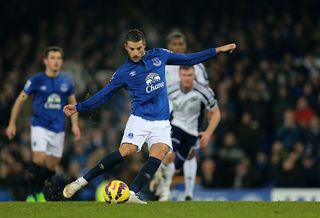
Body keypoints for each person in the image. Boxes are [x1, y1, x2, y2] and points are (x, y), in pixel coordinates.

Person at [62, 29, 235, 204]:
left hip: (161, 121)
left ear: (144, 45)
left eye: (138, 48)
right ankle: (81, 182)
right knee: (126, 152)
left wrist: (217, 50)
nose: (136, 53)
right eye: (132, 49)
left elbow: (188, 59)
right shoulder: (124, 72)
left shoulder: (160, 55)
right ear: (126, 48)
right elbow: (104, 95)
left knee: (160, 152)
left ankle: (132, 194)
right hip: (140, 119)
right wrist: (79, 107)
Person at [6, 46, 81, 202]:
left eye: (58, 58)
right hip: (40, 125)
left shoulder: (66, 81)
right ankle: (29, 194)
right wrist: (12, 123)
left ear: (62, 61)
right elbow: (20, 101)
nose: (55, 61)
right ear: (45, 61)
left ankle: (38, 190)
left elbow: (72, 104)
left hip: (58, 128)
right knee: (39, 159)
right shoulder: (36, 80)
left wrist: (74, 125)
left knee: (52, 166)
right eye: (52, 58)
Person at [151, 31, 213, 201]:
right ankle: (162, 187)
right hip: (168, 110)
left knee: (191, 152)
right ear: (168, 46)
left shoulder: (197, 65)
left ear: (185, 46)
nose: (178, 47)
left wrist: (206, 114)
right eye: (174, 45)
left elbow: (206, 88)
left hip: (192, 111)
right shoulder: (162, 64)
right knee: (165, 149)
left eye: (180, 45)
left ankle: (188, 194)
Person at [155, 65, 221, 201]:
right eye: (184, 75)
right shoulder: (171, 90)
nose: (187, 78)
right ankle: (164, 192)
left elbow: (216, 113)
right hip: (176, 125)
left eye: (190, 75)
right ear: (179, 76)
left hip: (192, 131)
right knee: (169, 155)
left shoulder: (203, 91)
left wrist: (208, 133)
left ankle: (159, 174)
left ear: (194, 76)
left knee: (177, 167)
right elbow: (158, 105)